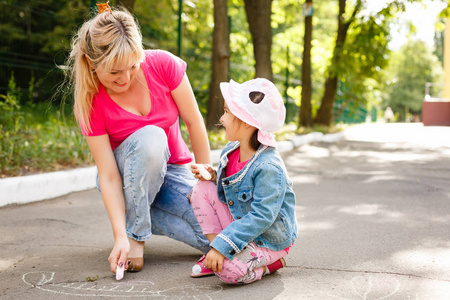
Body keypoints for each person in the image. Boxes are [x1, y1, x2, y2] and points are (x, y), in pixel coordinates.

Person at [65, 2, 210, 274]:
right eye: (114, 72)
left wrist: (207, 186)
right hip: (124, 180)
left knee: (218, 234)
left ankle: (136, 218)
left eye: (132, 66)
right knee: (152, 138)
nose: (126, 78)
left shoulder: (163, 65)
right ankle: (135, 237)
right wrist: (121, 237)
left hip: (175, 171)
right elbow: (108, 175)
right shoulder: (90, 102)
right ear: (91, 64)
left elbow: (194, 122)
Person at [189, 78, 299, 284]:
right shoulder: (231, 151)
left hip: (267, 239)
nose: (221, 118)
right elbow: (232, 187)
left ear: (247, 121)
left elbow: (262, 216)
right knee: (200, 189)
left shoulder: (268, 167)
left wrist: (225, 245)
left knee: (229, 273)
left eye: (227, 112)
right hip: (241, 224)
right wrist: (213, 176)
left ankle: (269, 264)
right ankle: (216, 252)